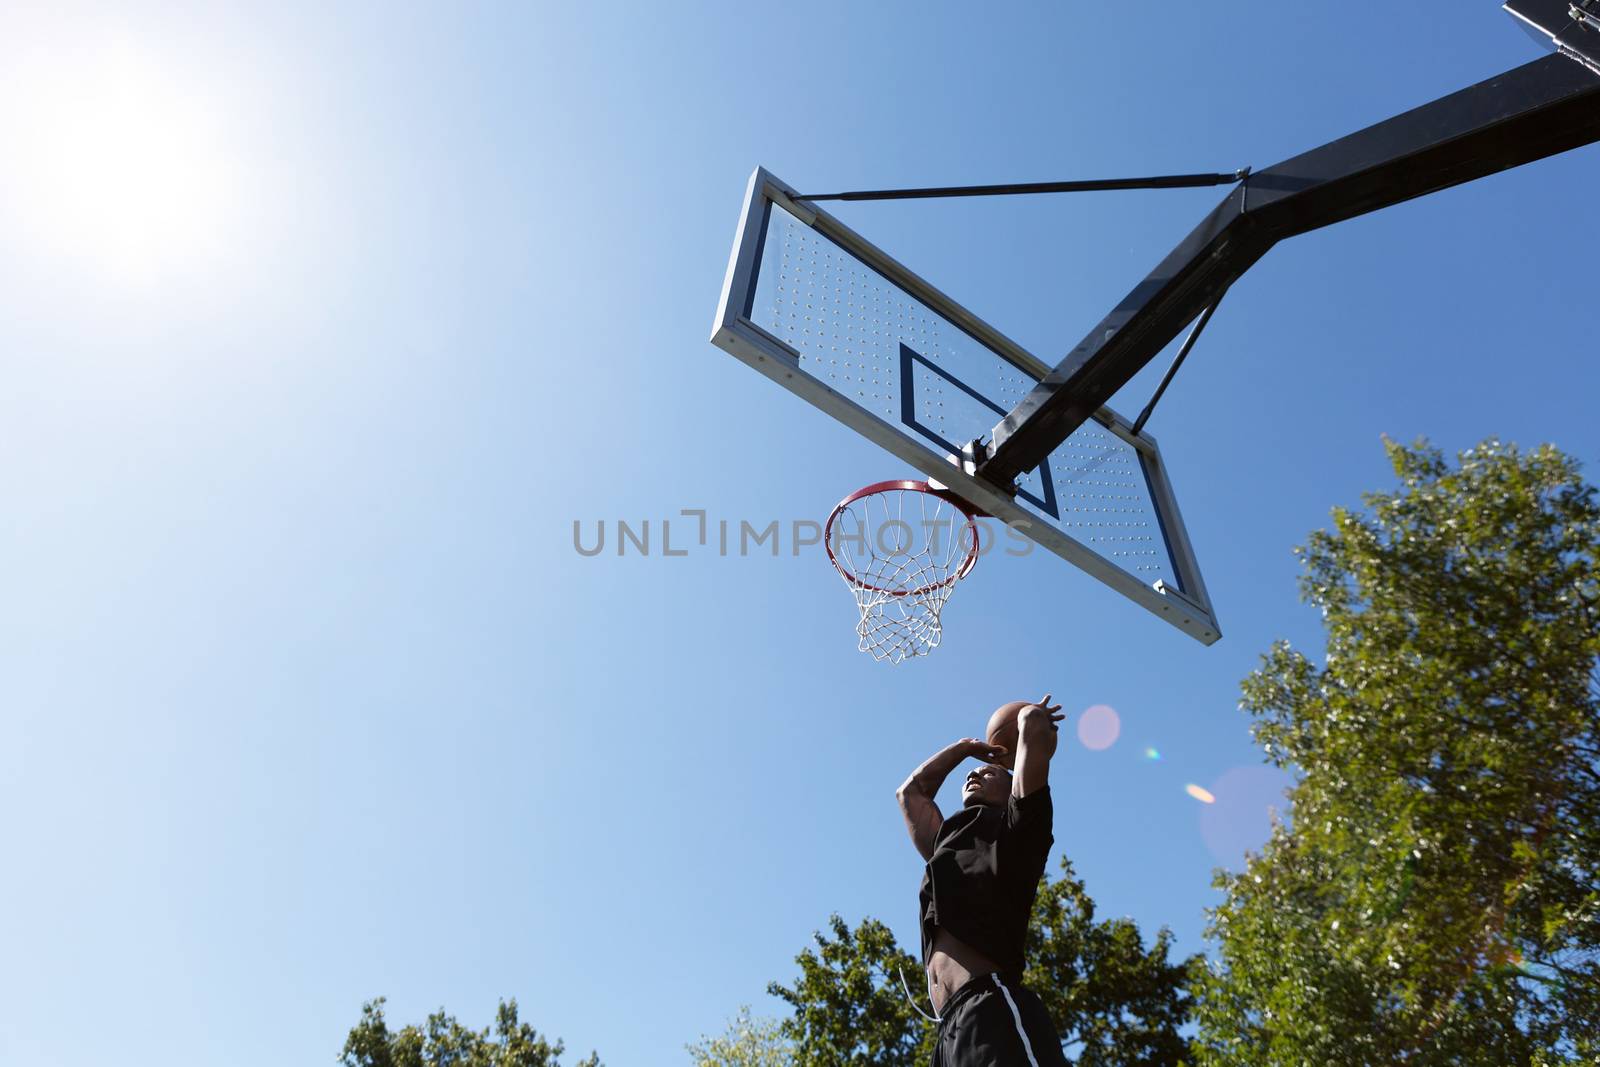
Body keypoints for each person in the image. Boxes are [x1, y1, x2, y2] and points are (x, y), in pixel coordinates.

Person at [896, 696, 1068, 1067]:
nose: (974, 773)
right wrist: (963, 749)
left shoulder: (1019, 829)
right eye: (971, 774)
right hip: (948, 1034)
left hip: (991, 1005)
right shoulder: (948, 842)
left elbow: (1035, 726)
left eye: (989, 773)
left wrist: (1024, 717)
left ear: (1012, 790)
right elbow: (910, 793)